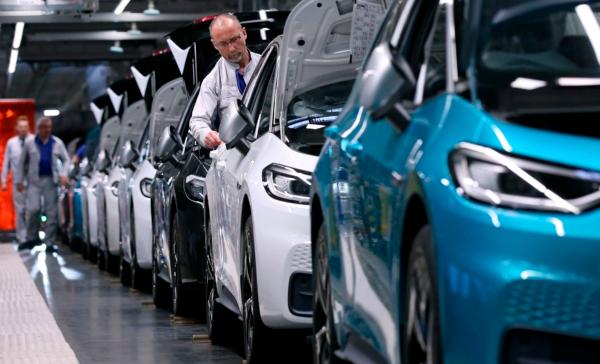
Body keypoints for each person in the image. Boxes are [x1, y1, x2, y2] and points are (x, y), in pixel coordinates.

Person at [189, 13, 262, 148]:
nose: (232, 49)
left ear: (244, 33)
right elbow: (197, 121)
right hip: (236, 153)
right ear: (214, 45)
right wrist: (207, 135)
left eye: (235, 39)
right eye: (223, 44)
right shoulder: (212, 80)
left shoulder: (268, 65)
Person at [14, 117, 70, 251]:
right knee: (33, 209)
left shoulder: (57, 143)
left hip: (51, 181)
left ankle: (49, 242)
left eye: (49, 127)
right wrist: (19, 181)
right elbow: (21, 163)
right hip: (34, 181)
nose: (47, 130)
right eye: (45, 127)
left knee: (51, 212)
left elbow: (66, 160)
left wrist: (63, 173)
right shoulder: (30, 143)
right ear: (39, 128)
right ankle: (32, 238)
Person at [1, 115, 33, 244]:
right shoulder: (11, 143)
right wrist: (3, 181)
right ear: (16, 128)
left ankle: (32, 236)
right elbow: (6, 162)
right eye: (21, 127)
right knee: (20, 211)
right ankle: (22, 238)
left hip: (33, 182)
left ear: (28, 128)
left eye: (25, 127)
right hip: (18, 182)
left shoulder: (34, 140)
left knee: (32, 210)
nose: (23, 129)